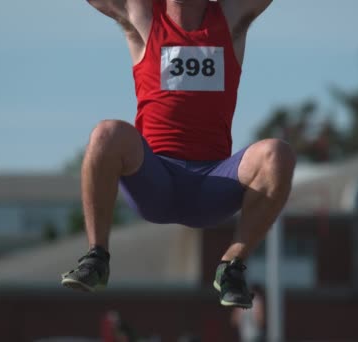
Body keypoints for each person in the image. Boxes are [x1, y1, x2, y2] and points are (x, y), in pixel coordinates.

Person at [61, 0, 295, 309]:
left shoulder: (229, 17)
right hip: (155, 178)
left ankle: (232, 265)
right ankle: (97, 257)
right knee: (106, 134)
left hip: (213, 184)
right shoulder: (143, 15)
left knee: (277, 154)